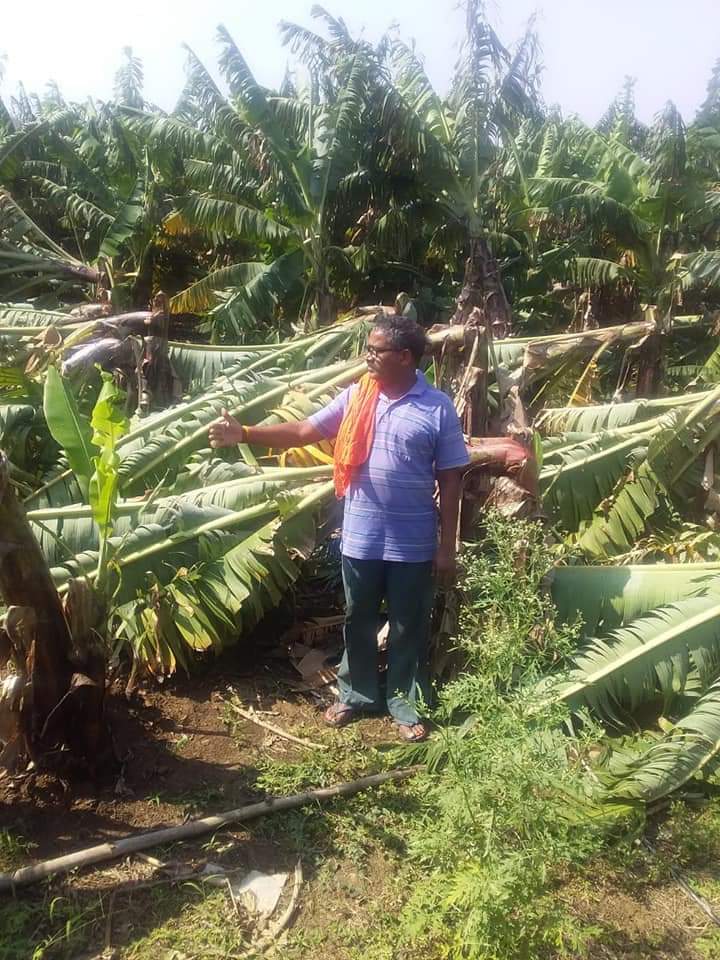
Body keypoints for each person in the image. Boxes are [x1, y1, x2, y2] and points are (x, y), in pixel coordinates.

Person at [208, 316, 469, 742]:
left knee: (408, 623)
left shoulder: (436, 406)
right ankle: (357, 693)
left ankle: (404, 702)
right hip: (361, 535)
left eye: (376, 349)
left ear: (404, 357)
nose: (367, 355)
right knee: (358, 618)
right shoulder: (356, 397)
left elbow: (452, 480)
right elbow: (304, 431)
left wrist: (447, 547)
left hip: (414, 542)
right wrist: (245, 432)